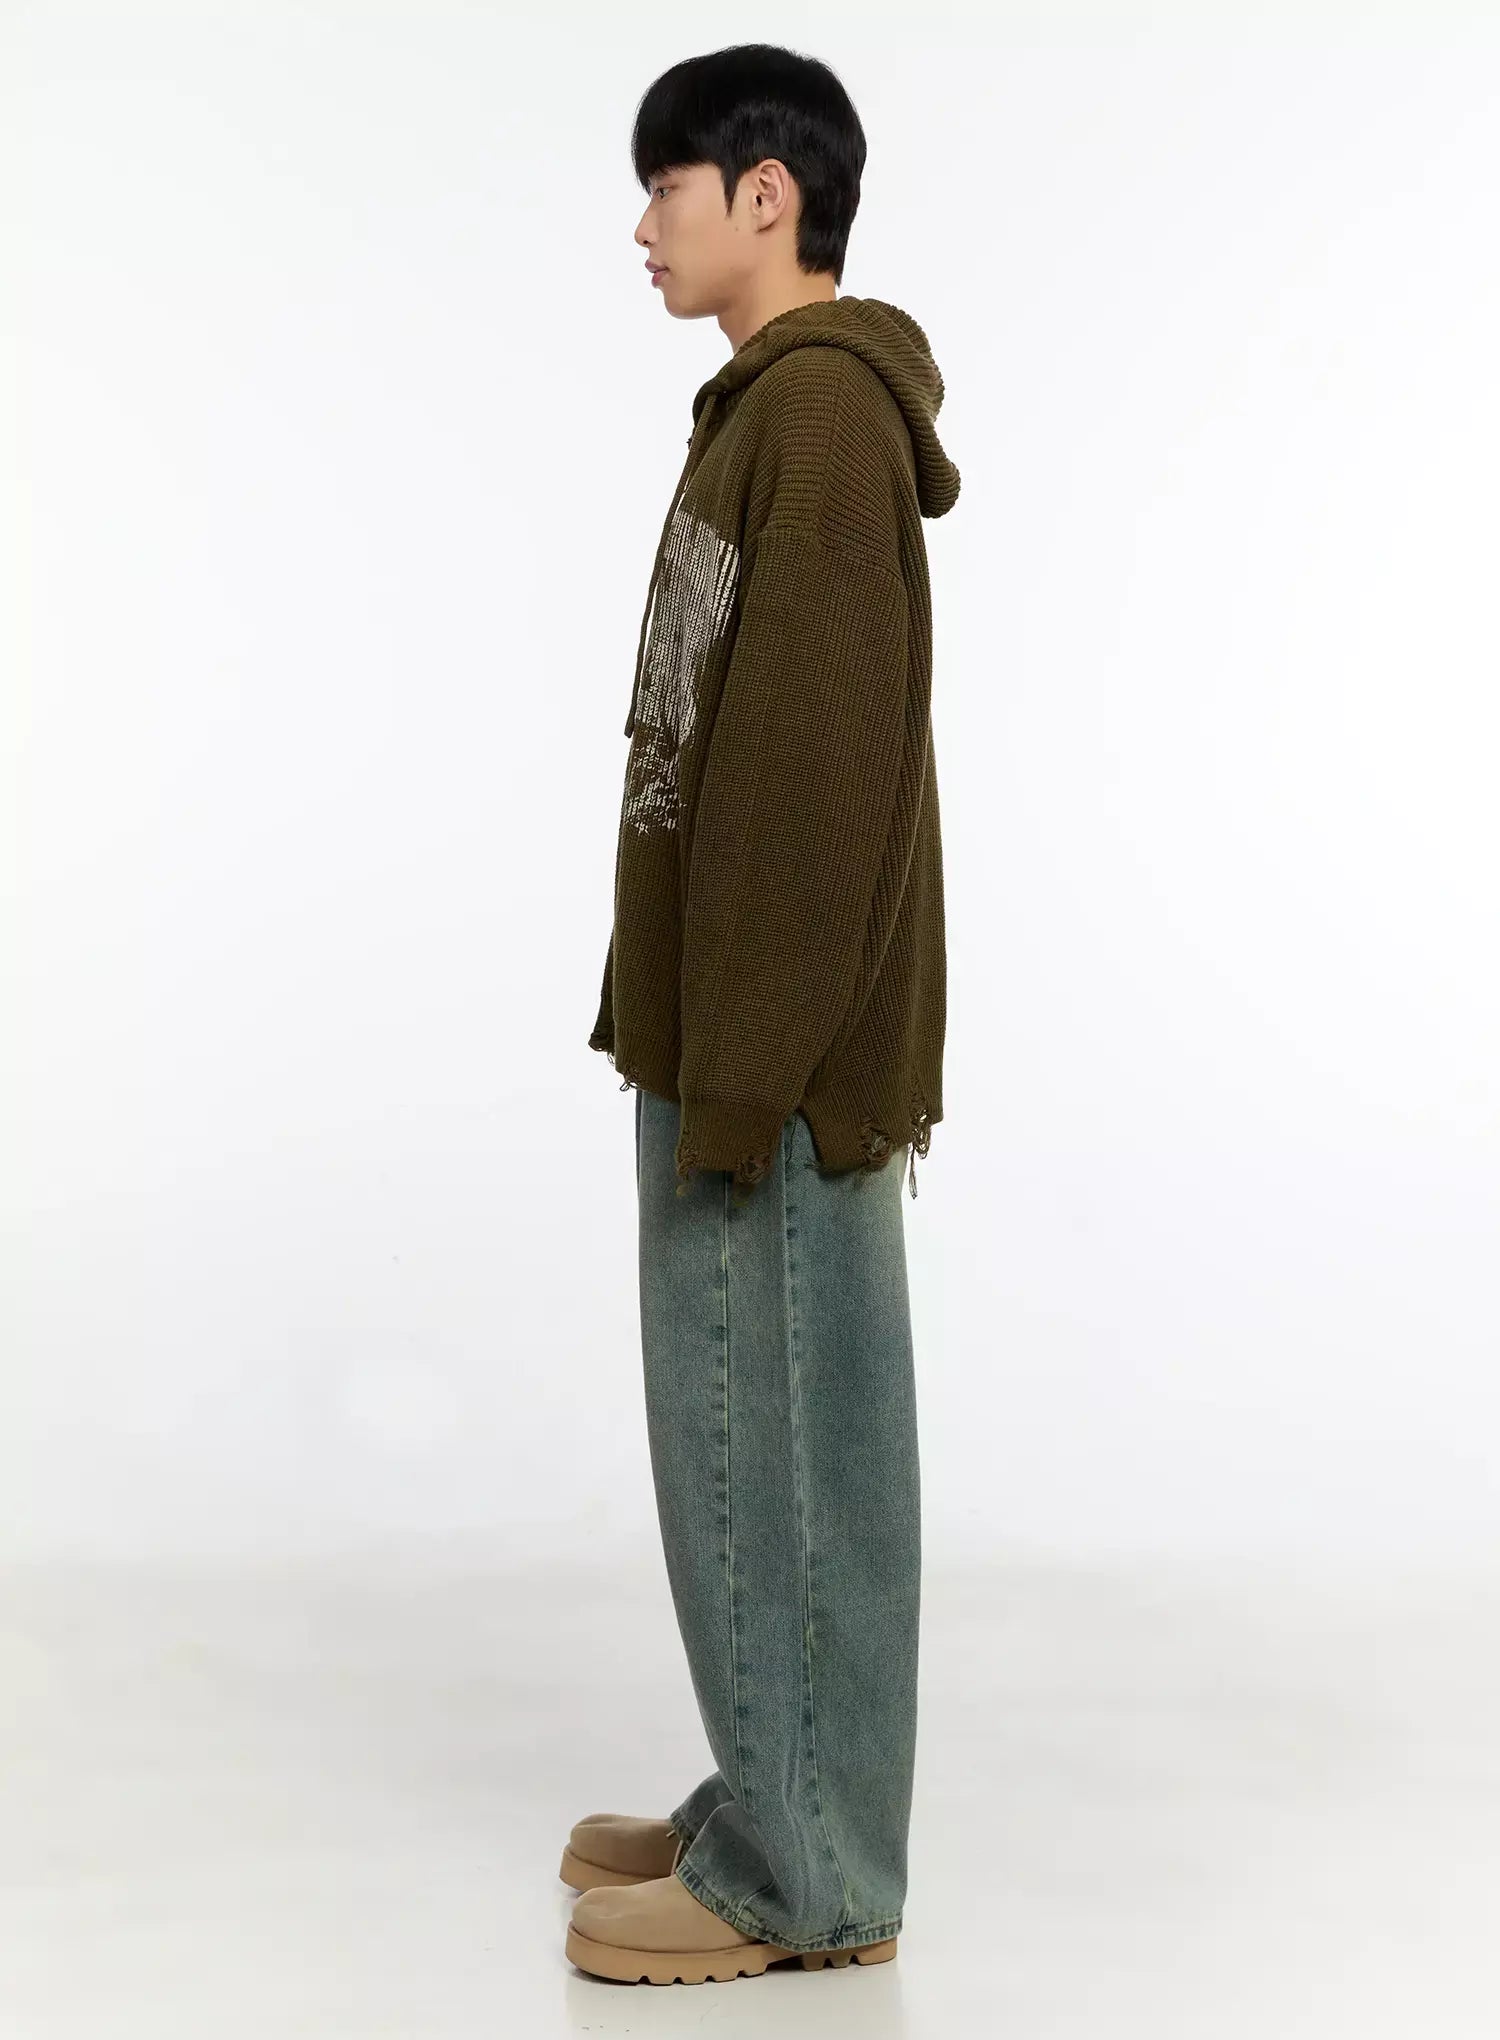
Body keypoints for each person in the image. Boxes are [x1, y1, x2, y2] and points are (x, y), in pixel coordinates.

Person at [564, 40, 961, 1986]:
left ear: (765, 196)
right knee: (770, 1448)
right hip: (745, 1046)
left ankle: (803, 1885)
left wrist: (738, 1080)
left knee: (773, 1458)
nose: (643, 226)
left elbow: (814, 782)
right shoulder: (774, 415)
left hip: (773, 1070)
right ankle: (778, 1806)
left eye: (667, 187)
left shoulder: (813, 421)